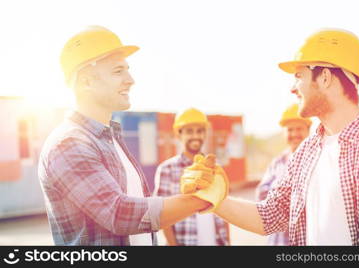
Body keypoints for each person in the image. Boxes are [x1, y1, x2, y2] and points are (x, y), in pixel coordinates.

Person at [182, 29, 359, 245]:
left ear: (324, 77)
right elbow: (269, 216)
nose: (293, 88)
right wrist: (216, 199)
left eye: (298, 76)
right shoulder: (307, 152)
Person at [37, 26, 222, 245]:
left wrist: (186, 195)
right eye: (118, 71)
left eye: (127, 69)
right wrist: (201, 198)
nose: (130, 79)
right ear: (86, 81)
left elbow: (142, 216)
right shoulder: (68, 144)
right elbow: (118, 214)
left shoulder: (111, 139)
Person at [154, 108, 230, 246]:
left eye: (199, 131)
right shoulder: (167, 169)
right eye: (189, 131)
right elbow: (162, 214)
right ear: (179, 134)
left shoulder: (216, 168)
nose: (195, 136)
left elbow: (224, 210)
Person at [255, 103, 311, 245]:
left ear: (308, 130)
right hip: (279, 241)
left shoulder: (317, 159)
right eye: (290, 130)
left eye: (299, 129)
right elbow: (261, 195)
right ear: (283, 133)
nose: (294, 134)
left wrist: (280, 197)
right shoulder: (277, 162)